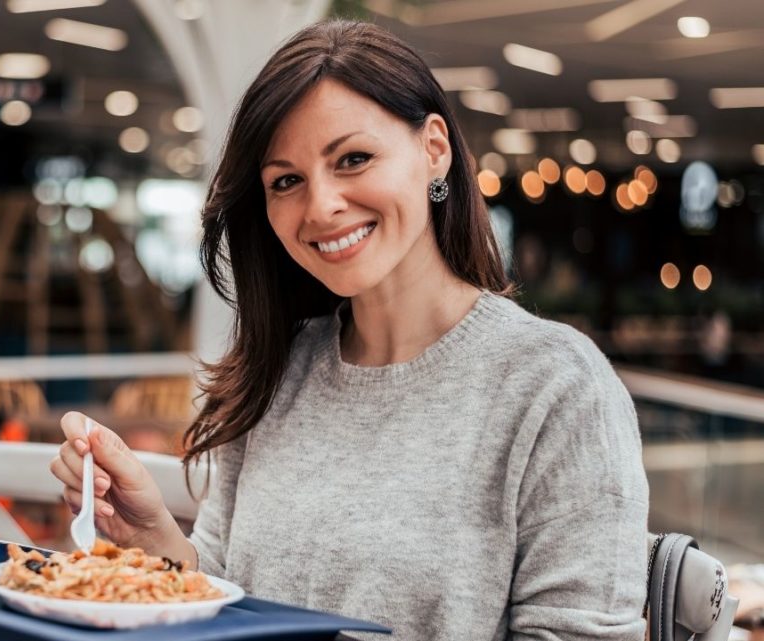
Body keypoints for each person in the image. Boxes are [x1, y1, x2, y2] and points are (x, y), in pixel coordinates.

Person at [50, 20, 650, 640]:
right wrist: (151, 537)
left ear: (434, 148)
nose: (320, 206)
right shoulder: (278, 367)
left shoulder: (556, 386)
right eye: (287, 181)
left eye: (353, 159)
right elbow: (225, 601)